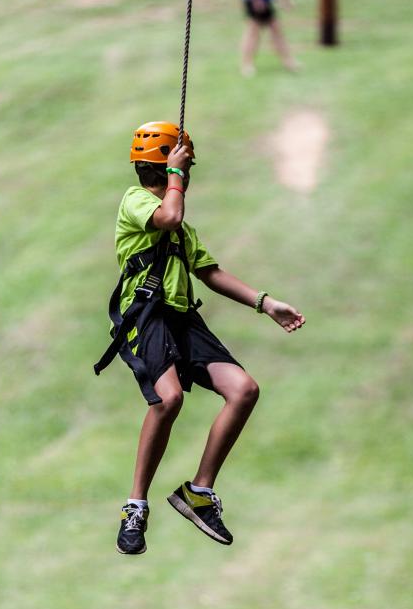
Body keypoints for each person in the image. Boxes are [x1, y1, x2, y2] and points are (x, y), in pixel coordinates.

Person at [100, 121, 305, 555]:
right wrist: (177, 173)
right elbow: (168, 216)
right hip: (147, 316)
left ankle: (199, 492)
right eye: (185, 168)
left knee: (244, 390)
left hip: (181, 318)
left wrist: (265, 303)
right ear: (168, 169)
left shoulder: (183, 232)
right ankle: (135, 505)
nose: (188, 175)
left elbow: (211, 274)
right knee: (169, 399)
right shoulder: (135, 200)